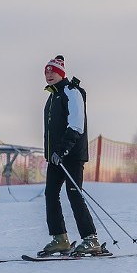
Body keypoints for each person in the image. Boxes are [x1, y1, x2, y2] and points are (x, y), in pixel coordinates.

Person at [40, 55, 101, 256]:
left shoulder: (71, 92)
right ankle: (60, 238)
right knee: (50, 194)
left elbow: (76, 124)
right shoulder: (53, 96)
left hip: (71, 155)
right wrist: (52, 153)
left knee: (74, 193)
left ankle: (91, 238)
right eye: (46, 71)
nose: (49, 74)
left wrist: (63, 149)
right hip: (56, 157)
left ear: (61, 73)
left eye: (52, 71)